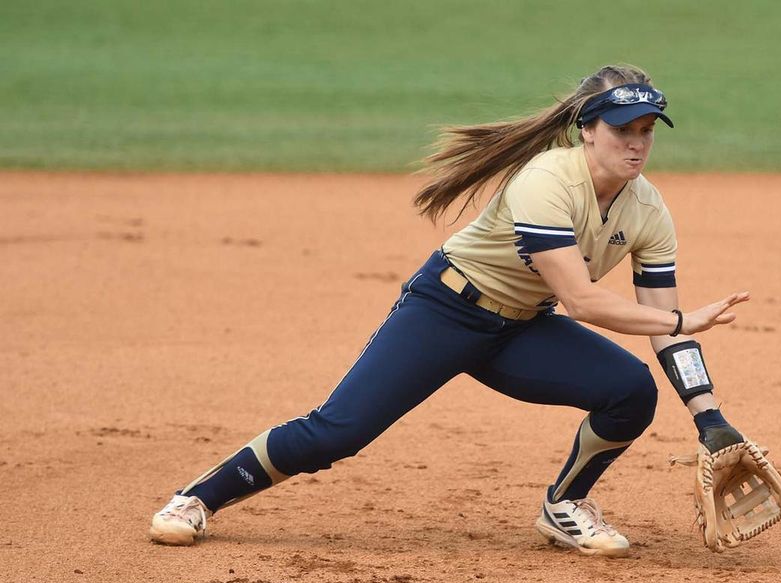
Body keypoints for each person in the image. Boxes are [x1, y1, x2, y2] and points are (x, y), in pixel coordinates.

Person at [149, 64, 750, 557]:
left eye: (647, 129)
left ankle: (564, 505)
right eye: (624, 129)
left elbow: (666, 328)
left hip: (520, 329)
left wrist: (710, 417)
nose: (637, 142)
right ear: (586, 130)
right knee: (339, 432)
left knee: (629, 389)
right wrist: (680, 321)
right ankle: (196, 499)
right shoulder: (546, 181)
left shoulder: (648, 211)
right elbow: (583, 300)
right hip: (444, 311)